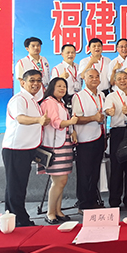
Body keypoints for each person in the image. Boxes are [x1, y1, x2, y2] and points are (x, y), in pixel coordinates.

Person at [3, 70, 51, 226]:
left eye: (38, 80)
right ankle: (20, 220)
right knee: (16, 186)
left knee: (18, 185)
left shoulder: (32, 100)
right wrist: (39, 120)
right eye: (32, 80)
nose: (36, 84)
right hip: (16, 149)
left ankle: (14, 217)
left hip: (27, 148)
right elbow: (21, 118)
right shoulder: (19, 99)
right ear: (22, 82)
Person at [39, 78, 78, 223]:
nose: (62, 89)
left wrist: (72, 130)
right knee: (59, 181)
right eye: (59, 86)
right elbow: (55, 122)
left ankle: (58, 210)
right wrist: (71, 122)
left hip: (63, 144)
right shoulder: (49, 102)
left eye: (64, 86)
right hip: (55, 146)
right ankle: (50, 213)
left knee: (61, 180)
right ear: (52, 88)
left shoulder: (60, 103)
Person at [71, 68, 106, 211]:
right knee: (84, 173)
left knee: (95, 172)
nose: (94, 79)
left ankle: (93, 201)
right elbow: (76, 119)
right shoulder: (78, 96)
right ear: (84, 79)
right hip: (85, 139)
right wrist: (93, 118)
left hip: (99, 136)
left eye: (97, 76)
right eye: (91, 77)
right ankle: (83, 203)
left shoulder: (102, 95)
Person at [104, 70, 127, 209]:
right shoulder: (111, 96)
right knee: (116, 168)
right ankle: (114, 201)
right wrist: (109, 112)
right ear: (115, 82)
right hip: (117, 132)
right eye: (120, 79)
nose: (123, 81)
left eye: (125, 78)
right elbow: (107, 110)